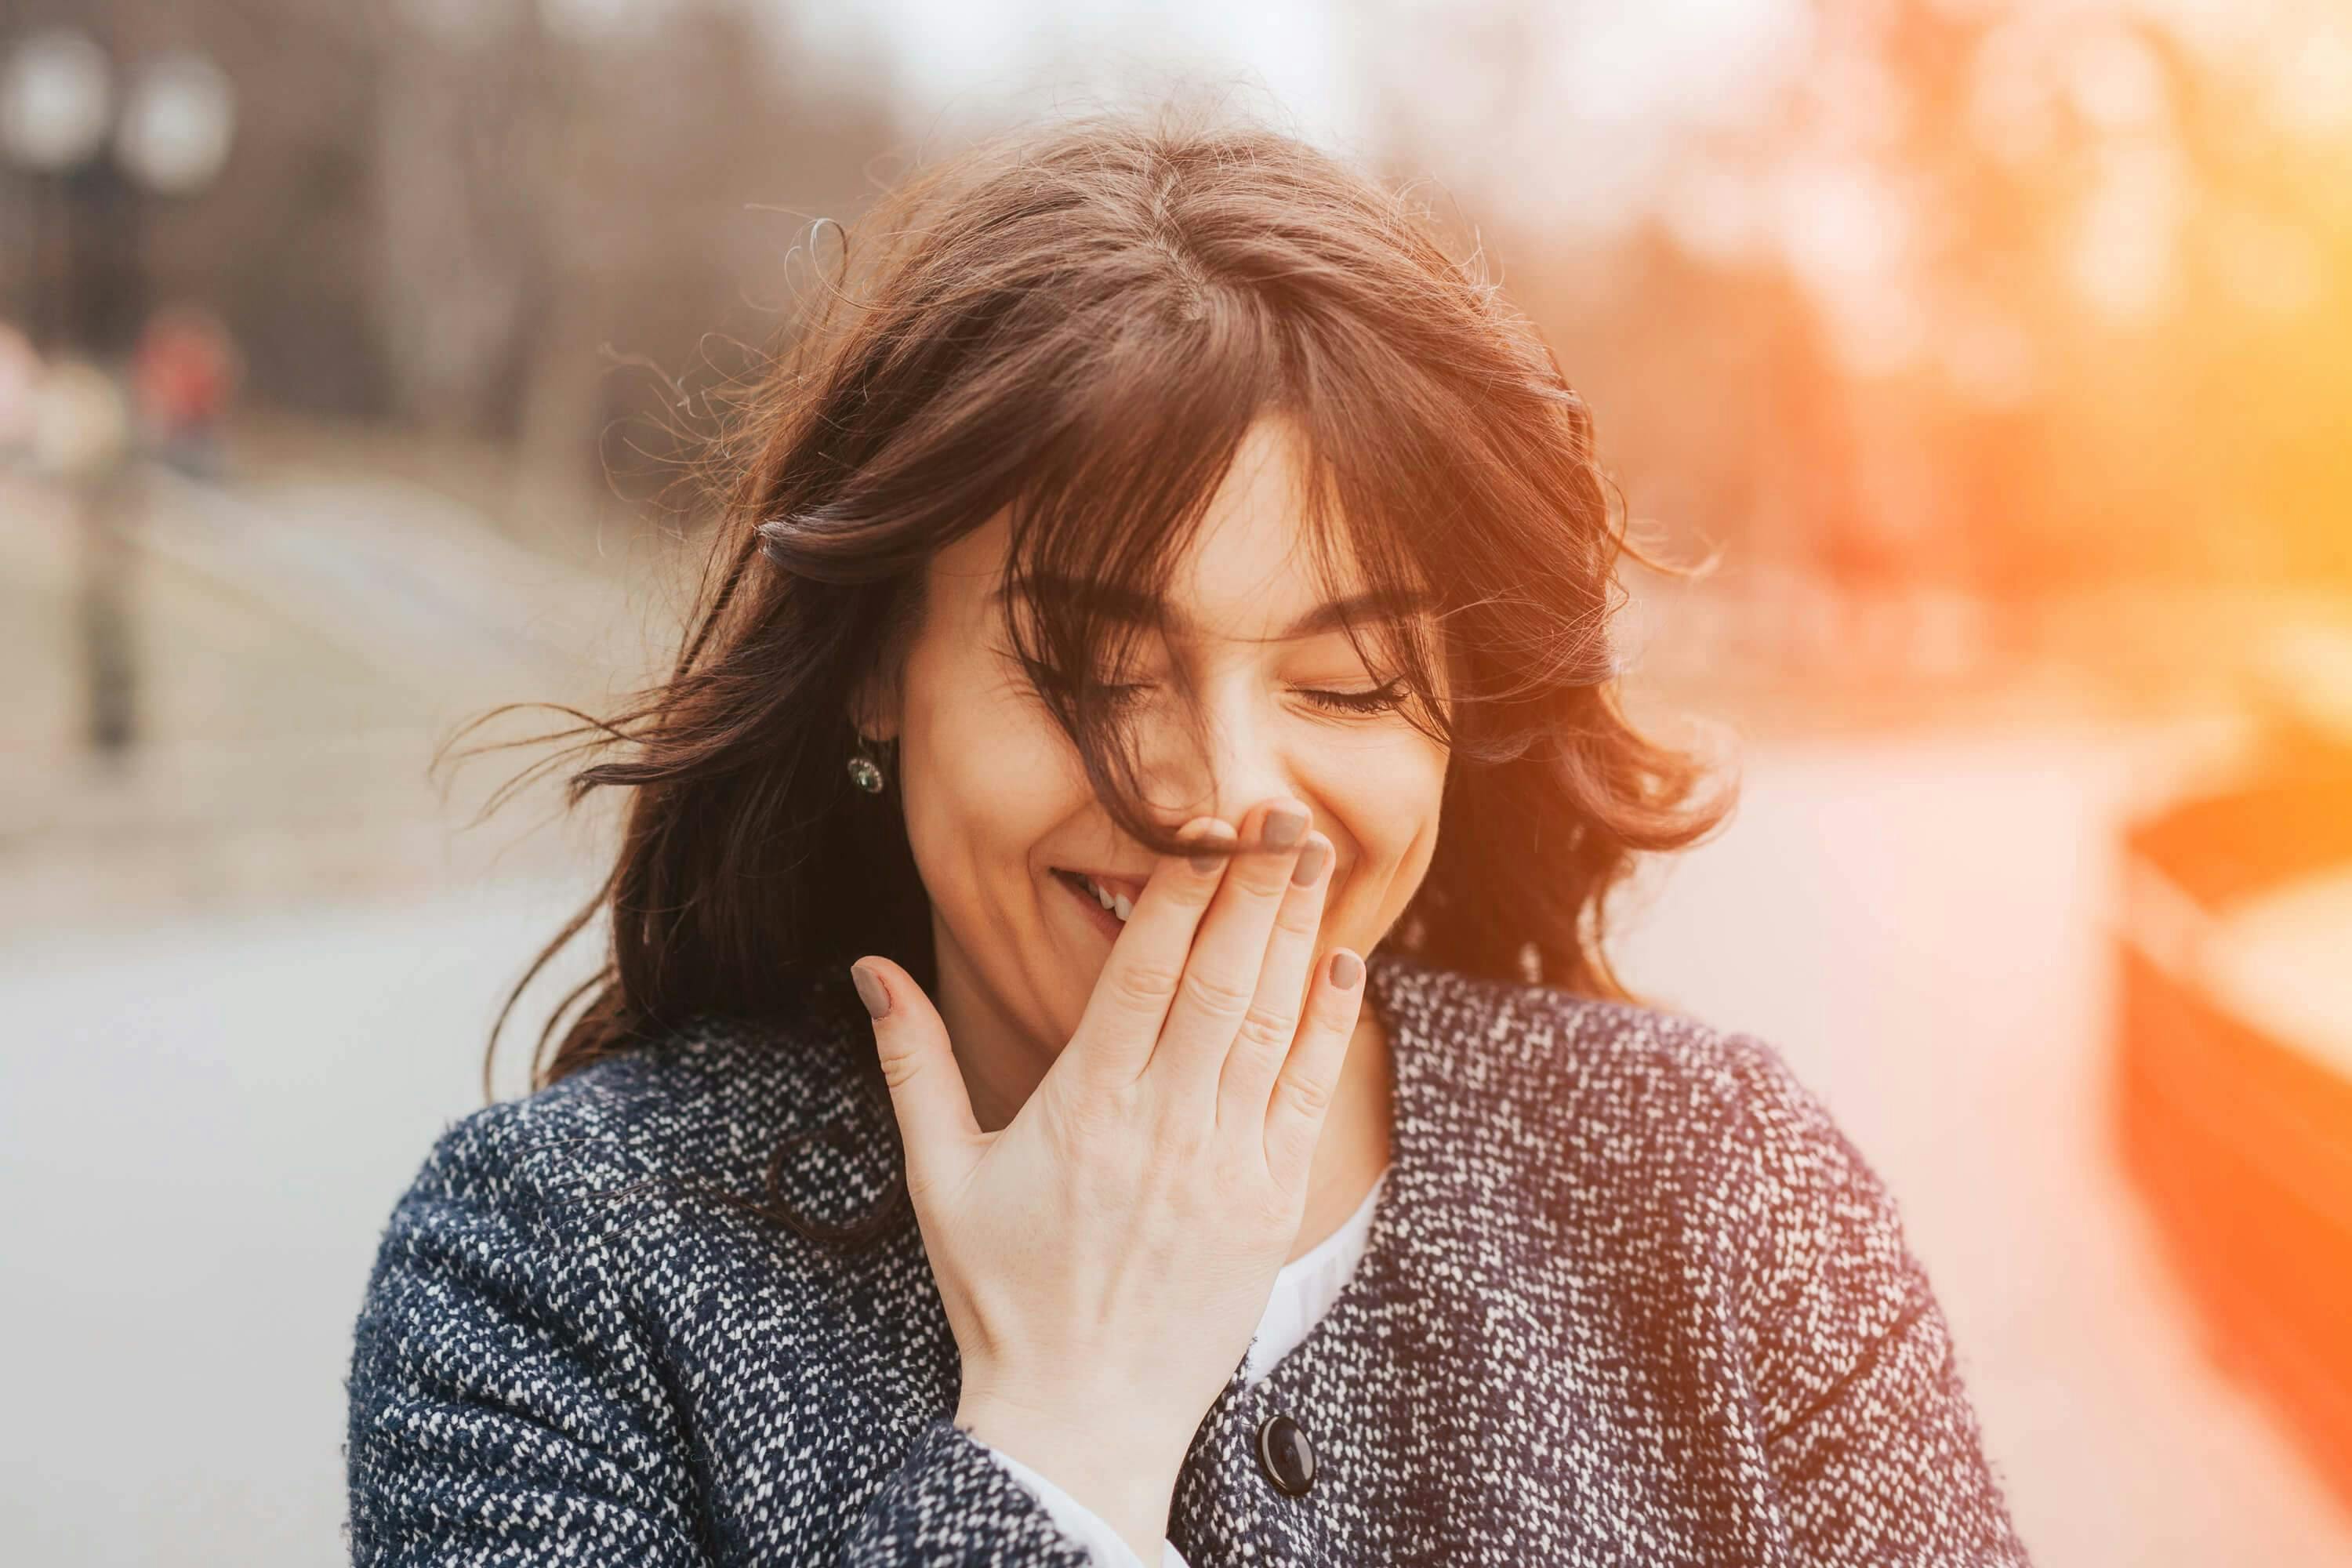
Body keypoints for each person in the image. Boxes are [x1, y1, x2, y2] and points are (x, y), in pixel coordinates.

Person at [345, 107, 2031, 1566]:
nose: (1226, 793)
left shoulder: (1726, 1190)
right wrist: (1065, 1431)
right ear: (878, 668)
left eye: (1349, 684)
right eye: (1093, 670)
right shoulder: (558, 1265)